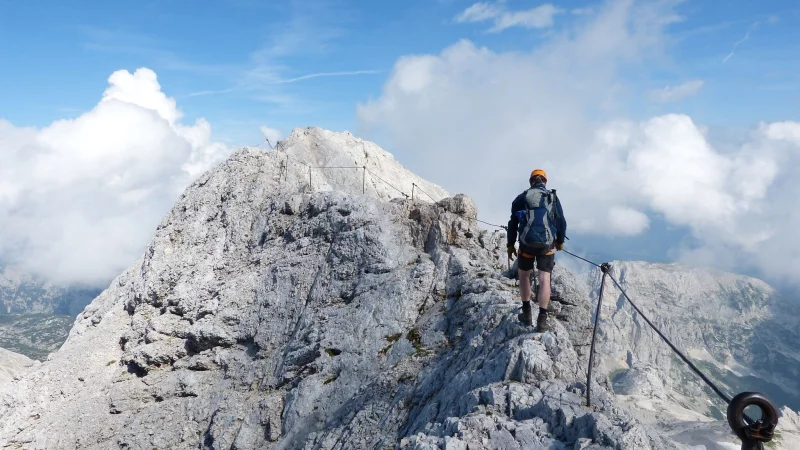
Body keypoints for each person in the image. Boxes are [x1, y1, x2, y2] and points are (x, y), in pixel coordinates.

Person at [506, 169, 567, 331]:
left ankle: (526, 314)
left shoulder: (521, 198)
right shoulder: (552, 198)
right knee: (544, 278)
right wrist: (559, 241)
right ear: (545, 182)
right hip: (546, 245)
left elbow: (513, 223)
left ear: (531, 182)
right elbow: (561, 221)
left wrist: (510, 244)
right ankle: (542, 319)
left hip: (526, 244)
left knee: (524, 275)